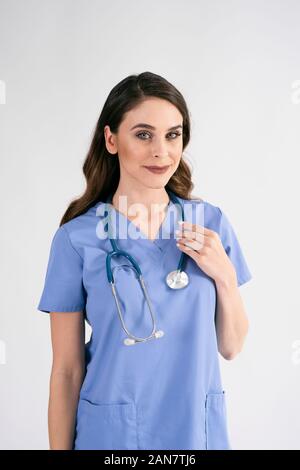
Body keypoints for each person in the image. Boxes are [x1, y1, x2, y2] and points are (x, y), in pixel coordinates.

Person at [37, 71, 252, 450]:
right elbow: (67, 372)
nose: (161, 151)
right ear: (111, 139)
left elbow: (231, 347)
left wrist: (225, 277)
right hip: (112, 436)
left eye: (173, 134)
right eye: (143, 134)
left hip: (195, 434)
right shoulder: (77, 239)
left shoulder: (210, 224)